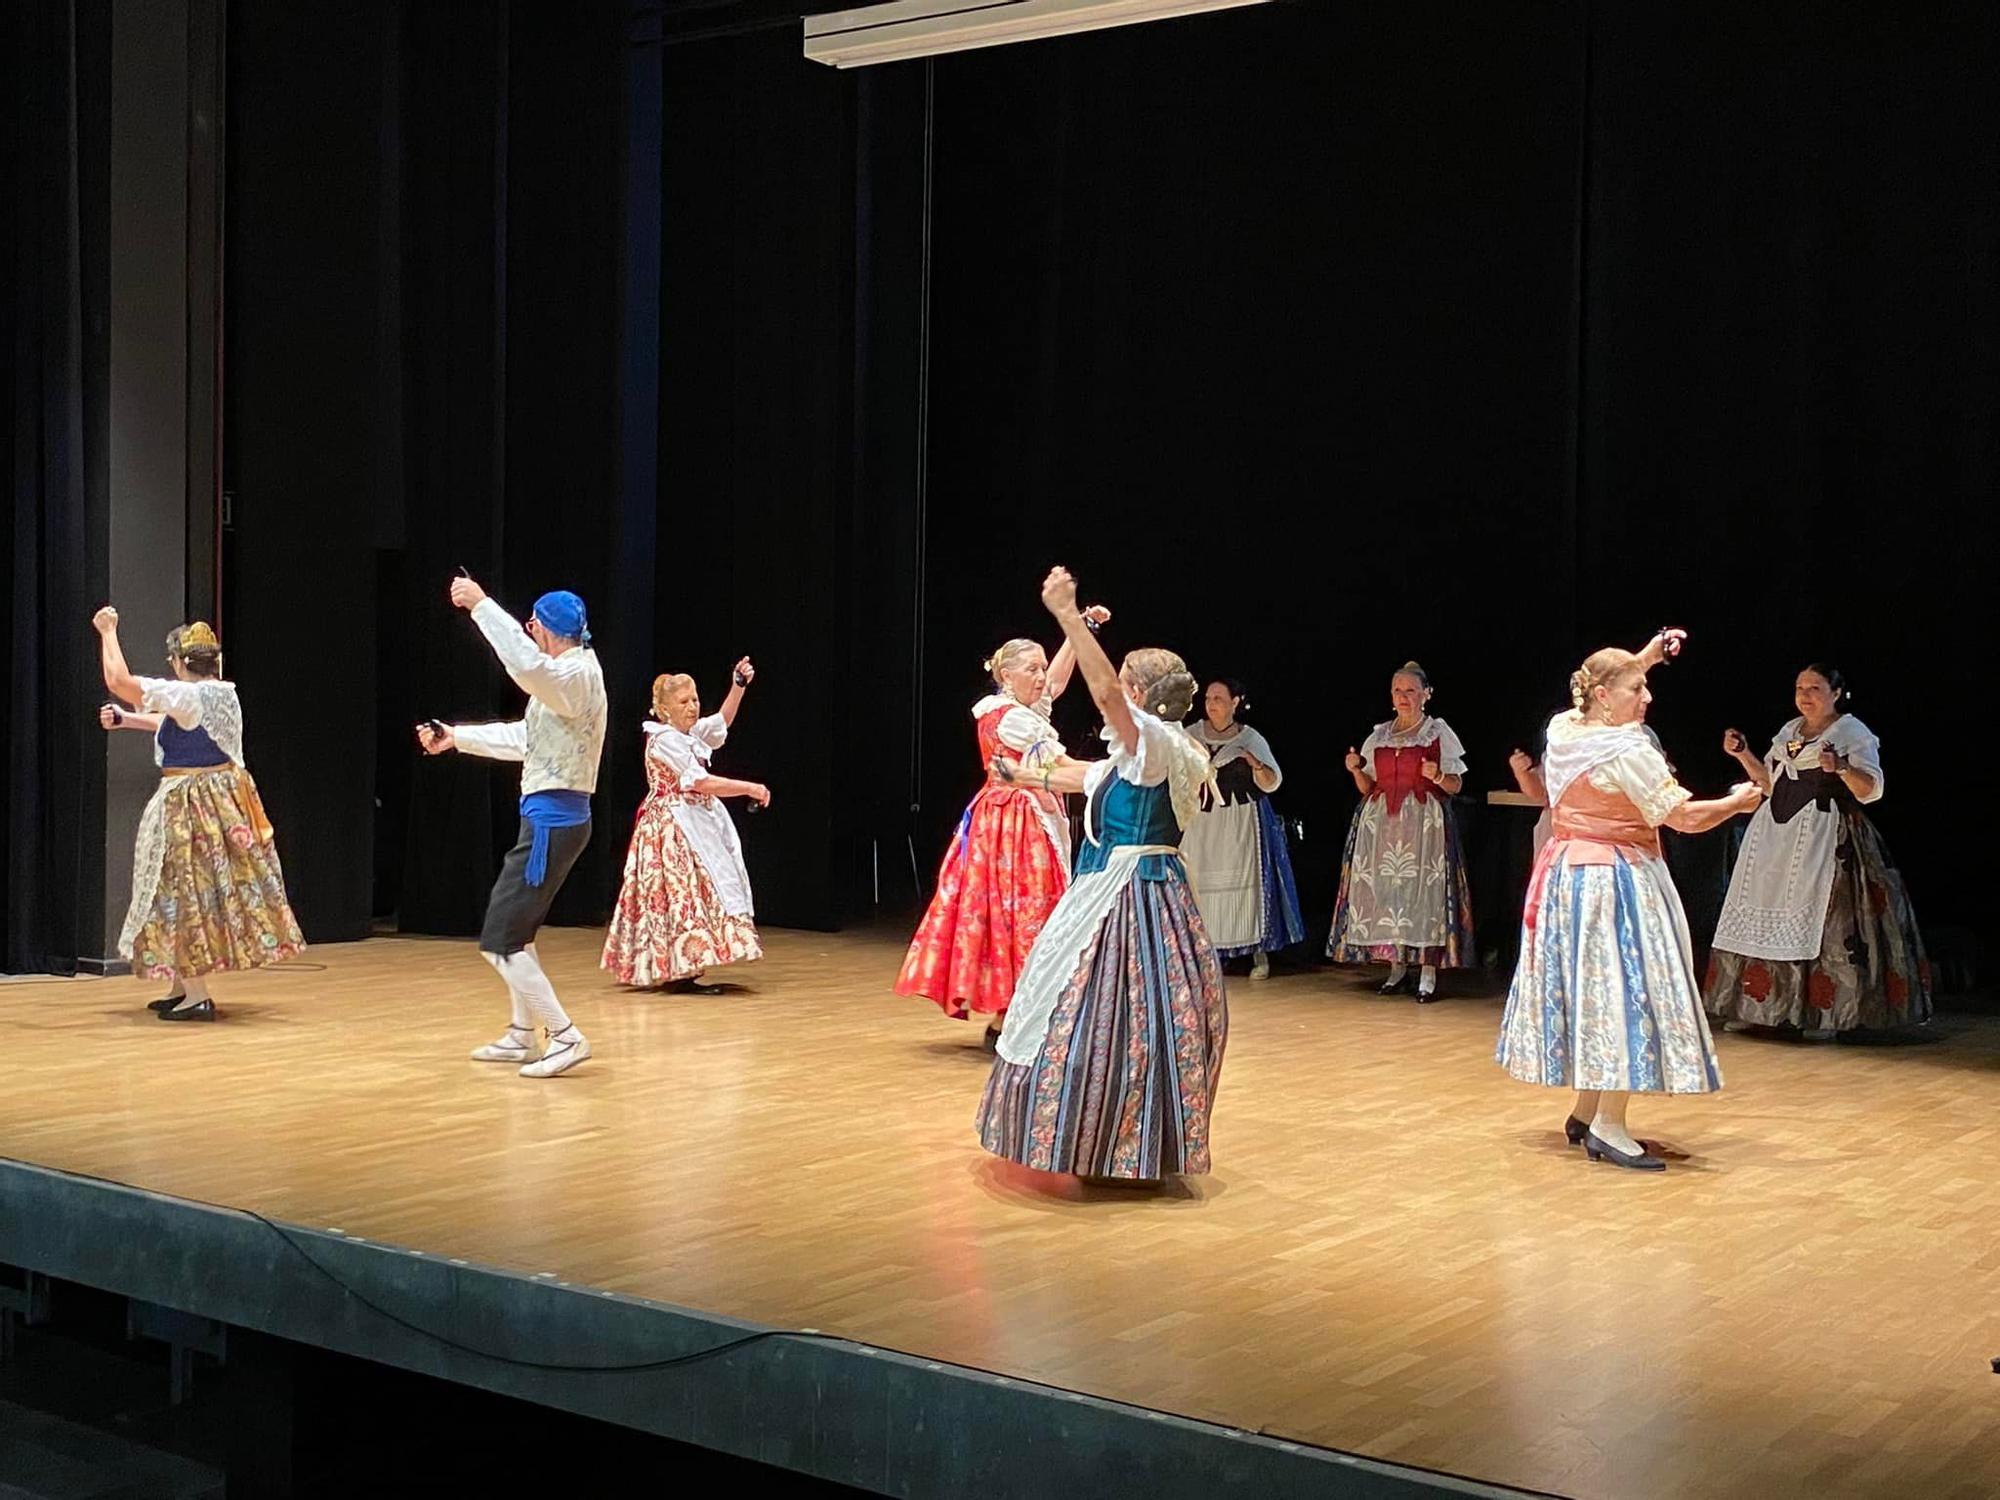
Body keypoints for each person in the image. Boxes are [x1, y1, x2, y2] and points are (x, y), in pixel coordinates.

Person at [976, 567, 1226, 1181]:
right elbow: (1081, 776)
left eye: (1128, 690)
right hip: (1127, 888)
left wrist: (1067, 617)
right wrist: (1022, 777)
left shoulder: (1156, 745)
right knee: (1130, 1016)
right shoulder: (1144, 755)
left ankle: (1118, 1143)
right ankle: (1110, 1145)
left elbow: (1106, 694)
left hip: (1132, 895)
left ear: (1139, 697)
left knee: (1114, 1017)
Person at [1495, 632, 1763, 1170]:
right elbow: (1683, 818)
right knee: (1625, 991)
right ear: (1602, 696)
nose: (1647, 698)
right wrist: (1736, 804)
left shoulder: (1565, 730)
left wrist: (1646, 658)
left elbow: (1598, 679)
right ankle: (1610, 1125)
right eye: (1637, 689)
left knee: (1590, 989)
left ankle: (1586, 1108)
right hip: (1615, 880)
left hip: (1566, 877)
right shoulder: (1629, 752)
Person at [417, 576, 605, 1078]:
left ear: (540, 629)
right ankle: (524, 1035)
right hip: (551, 820)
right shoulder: (567, 677)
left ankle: (564, 1036)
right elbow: (527, 737)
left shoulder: (573, 677)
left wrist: (481, 606)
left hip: (553, 824)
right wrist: (456, 737)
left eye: (533, 627)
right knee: (517, 933)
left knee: (500, 938)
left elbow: (524, 665)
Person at [894, 603, 1110, 1042]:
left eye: (1041, 667)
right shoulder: (1011, 719)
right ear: (1006, 676)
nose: (1041, 676)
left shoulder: (1021, 708)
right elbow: (1061, 765)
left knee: (1015, 914)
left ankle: (1014, 1014)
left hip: (1017, 816)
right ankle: (1013, 1015)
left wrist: (1079, 628)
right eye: (1031, 669)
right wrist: (1119, 773)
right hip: (1017, 825)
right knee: (1025, 912)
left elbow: (1056, 681)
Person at [93, 608, 304, 1020]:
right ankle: (181, 985)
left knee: (183, 890)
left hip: (191, 806)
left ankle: (197, 994)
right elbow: (179, 724)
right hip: (216, 802)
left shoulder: (189, 695)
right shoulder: (222, 693)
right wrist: (127, 720)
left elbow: (119, 682)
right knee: (183, 888)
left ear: (177, 662)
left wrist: (108, 632)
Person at [1704, 664, 1931, 1037]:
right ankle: (1760, 1008)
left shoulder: (1850, 732)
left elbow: (1871, 790)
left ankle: (1825, 1014)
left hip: (1829, 837)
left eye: (1815, 688)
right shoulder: (1789, 732)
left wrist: (1840, 767)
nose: (1805, 695)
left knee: (1829, 919)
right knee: (1763, 912)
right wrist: (1743, 755)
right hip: (1777, 837)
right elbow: (1769, 785)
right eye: (1799, 688)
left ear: (1836, 693)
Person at [602, 659, 769, 992]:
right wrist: (749, 788)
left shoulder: (689, 734)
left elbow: (721, 723)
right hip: (671, 826)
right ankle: (680, 969)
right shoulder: (665, 740)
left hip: (694, 821)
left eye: (694, 699)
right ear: (664, 710)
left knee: (701, 890)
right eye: (684, 702)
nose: (692, 706)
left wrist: (738, 685)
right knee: (680, 893)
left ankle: (687, 967)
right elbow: (700, 781)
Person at [1326, 662, 1474, 1000]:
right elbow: (1368, 786)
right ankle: (1396, 967)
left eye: (1410, 690)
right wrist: (1354, 771)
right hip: (1381, 826)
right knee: (1388, 894)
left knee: (1422, 895)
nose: (1403, 697)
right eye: (1397, 690)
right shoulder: (1379, 734)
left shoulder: (1437, 733)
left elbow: (1455, 784)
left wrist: (1437, 776)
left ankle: (1427, 971)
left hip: (1424, 824)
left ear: (1426, 694)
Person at [1182, 679, 1304, 979]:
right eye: (1208, 698)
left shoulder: (1249, 738)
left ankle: (1257, 953)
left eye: (1219, 698)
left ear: (1236, 702)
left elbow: (1272, 782)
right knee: (1201, 882)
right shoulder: (1190, 735)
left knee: (1246, 882)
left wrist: (1253, 764)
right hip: (1202, 821)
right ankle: (1206, 952)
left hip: (1240, 821)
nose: (1211, 704)